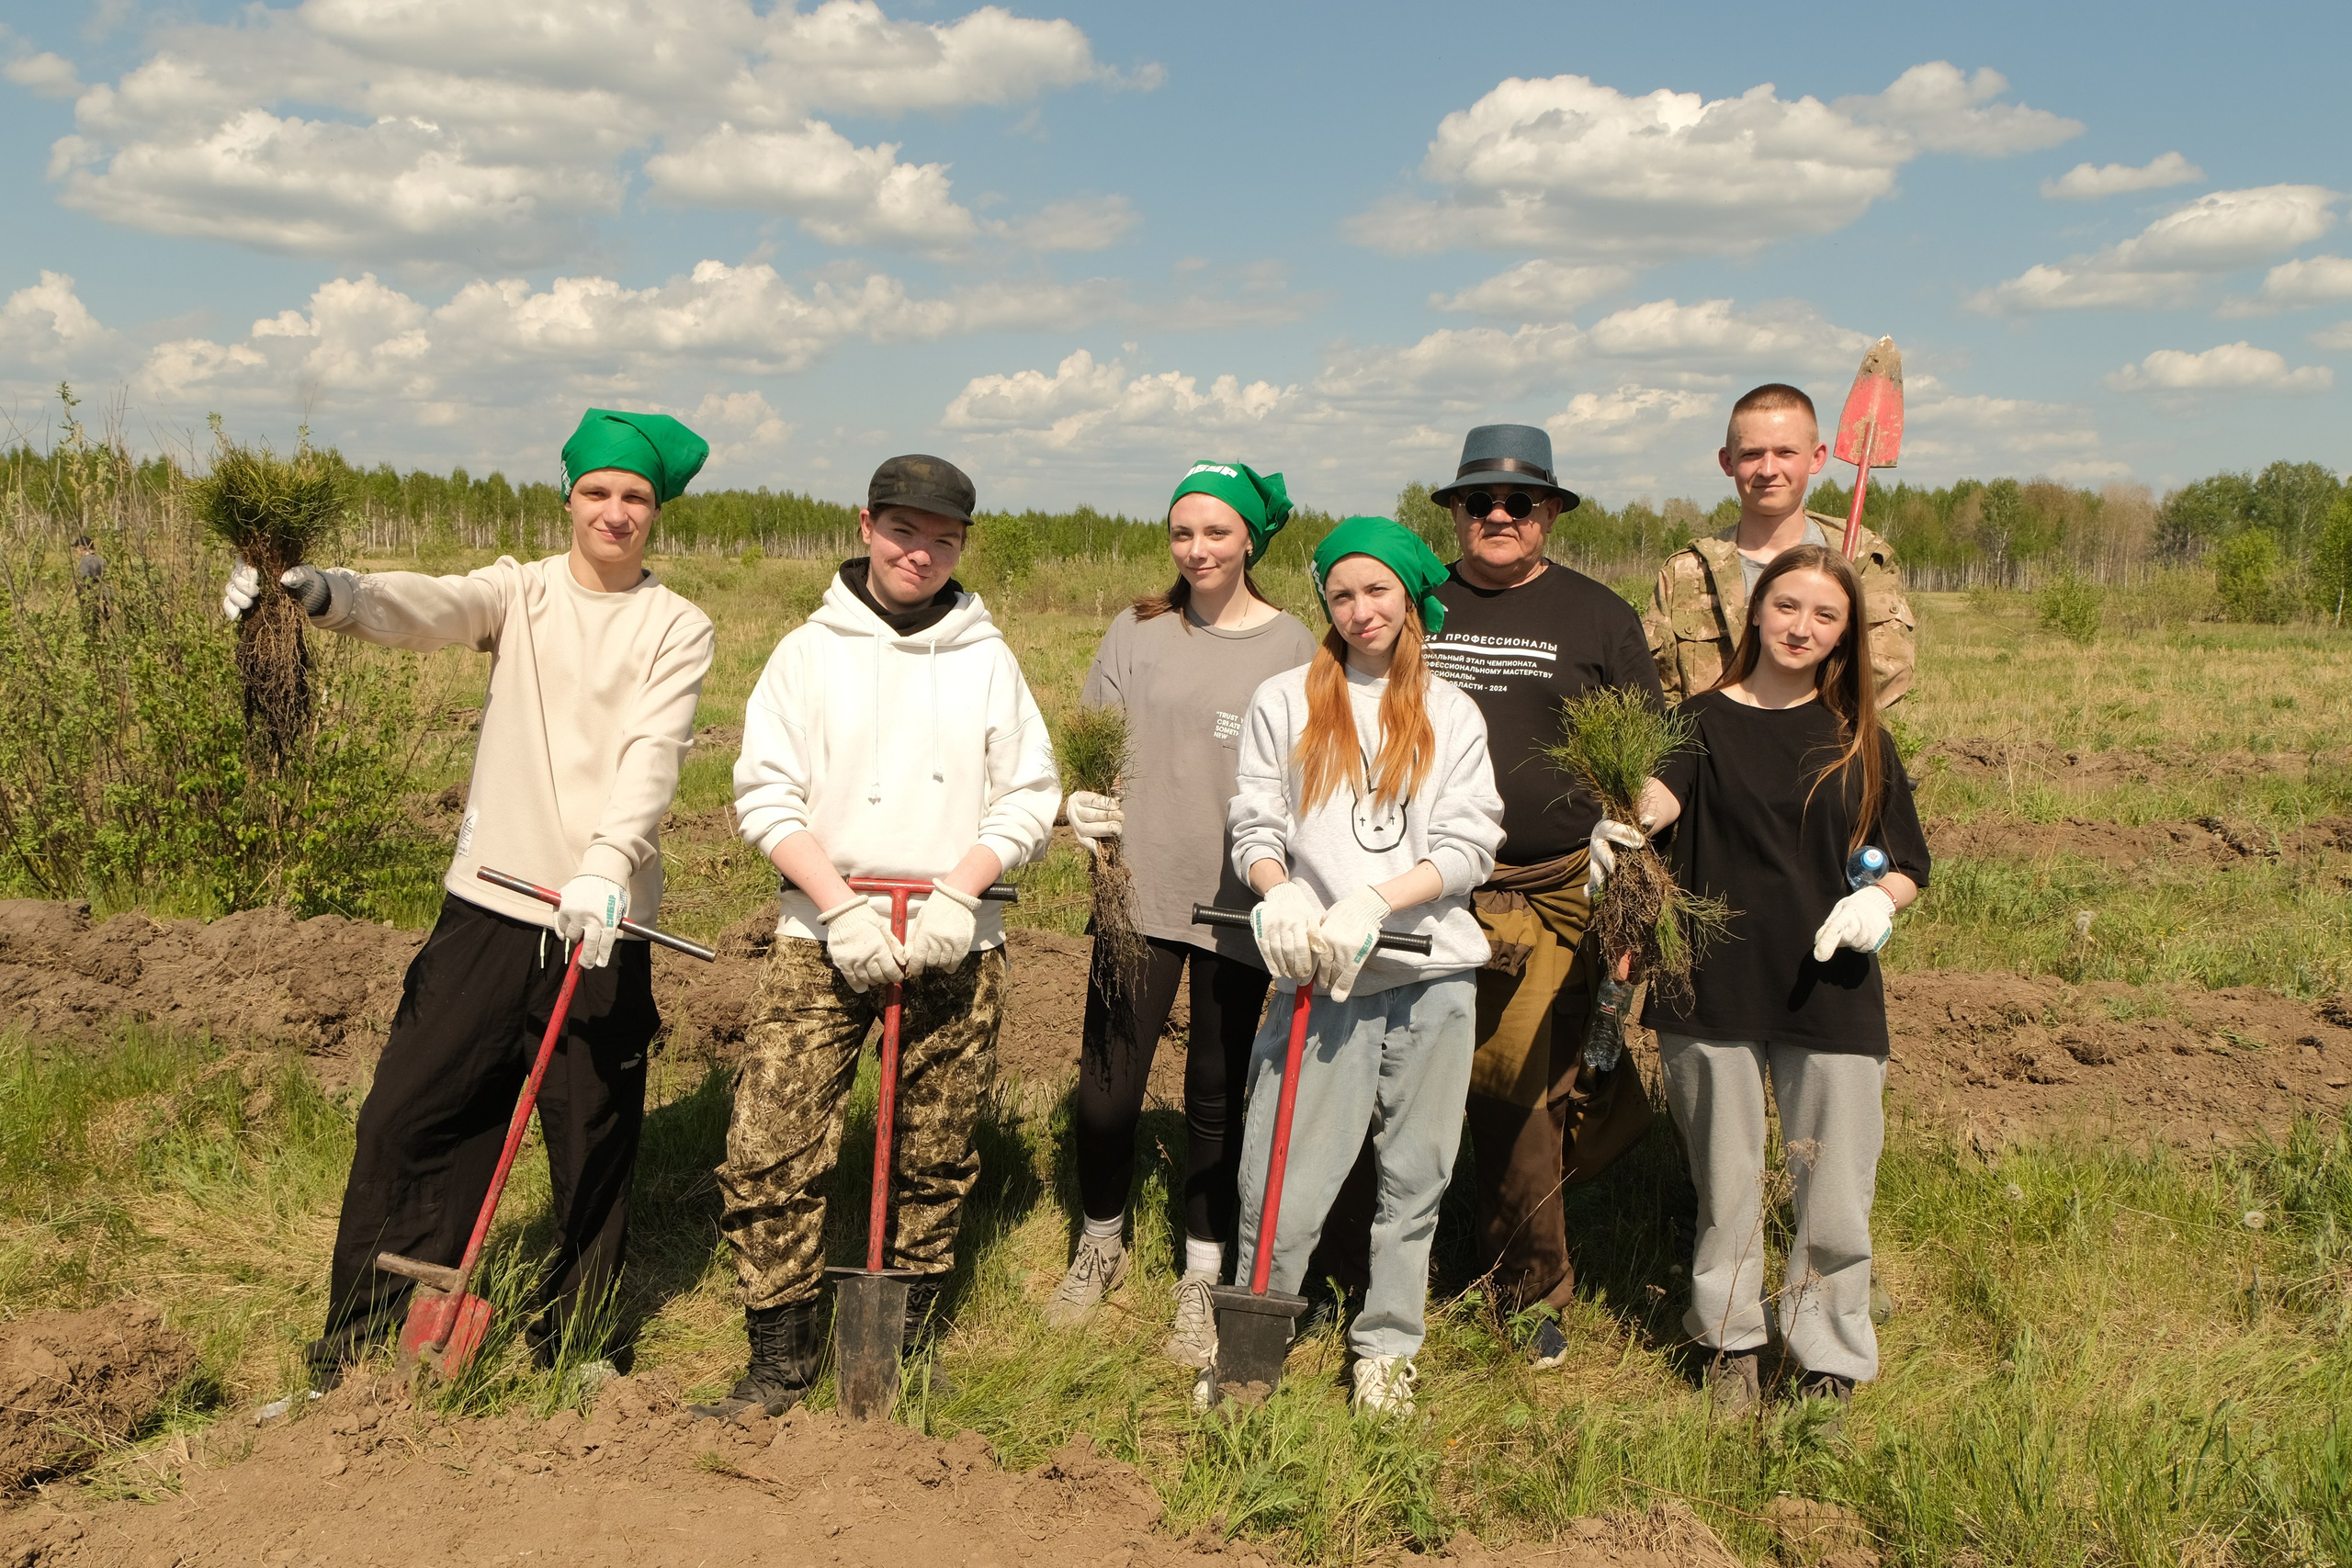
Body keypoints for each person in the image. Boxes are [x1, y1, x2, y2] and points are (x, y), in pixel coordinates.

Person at [222, 409, 718, 1387]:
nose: (614, 512)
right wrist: (330, 594)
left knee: (593, 1138)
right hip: (491, 908)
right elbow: (429, 605)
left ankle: (580, 1348)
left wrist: (607, 864)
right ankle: (360, 1349)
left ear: (656, 513)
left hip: (603, 920)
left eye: (635, 498)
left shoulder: (678, 626)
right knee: (409, 1118)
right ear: (569, 499)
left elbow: (651, 757)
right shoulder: (520, 593)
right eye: (598, 493)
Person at [706, 454, 1059, 1420]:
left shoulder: (989, 660)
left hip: (956, 938)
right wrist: (836, 905)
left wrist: (961, 891)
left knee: (933, 1151)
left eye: (944, 538)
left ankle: (899, 1347)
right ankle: (778, 1359)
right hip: (823, 935)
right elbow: (764, 793)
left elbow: (1030, 792)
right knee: (770, 1147)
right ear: (866, 526)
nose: (923, 552)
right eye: (906, 531)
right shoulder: (806, 654)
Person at [1633, 543, 1930, 1420]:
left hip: (1830, 986)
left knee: (1834, 1188)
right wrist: (1629, 812)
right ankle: (1731, 1341)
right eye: (1787, 606)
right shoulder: (1697, 720)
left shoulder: (1859, 738)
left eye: (1825, 615)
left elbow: (1908, 860)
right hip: (1711, 985)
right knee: (1726, 1184)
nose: (1802, 626)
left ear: (1845, 635)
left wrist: (1881, 901)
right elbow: (1660, 798)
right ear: (1755, 611)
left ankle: (1828, 1353)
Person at [1226, 516, 1504, 1418]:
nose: (1358, 609)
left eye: (1376, 589)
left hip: (1430, 977)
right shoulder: (1286, 701)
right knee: (1282, 1178)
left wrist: (1376, 901)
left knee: (1414, 1176)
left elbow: (1469, 846)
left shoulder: (1452, 714)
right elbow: (1257, 823)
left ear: (1410, 598)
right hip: (1319, 977)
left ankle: (1386, 1346)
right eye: (1340, 594)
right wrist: (1280, 895)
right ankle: (1251, 1341)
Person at [1408, 423, 1670, 1369]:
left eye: (1519, 502)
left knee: (1520, 1095)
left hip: (1547, 889)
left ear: (1550, 512)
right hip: (1413, 886)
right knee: (1391, 1083)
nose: (1498, 517)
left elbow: (1661, 749)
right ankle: (1380, 1268)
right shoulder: (1409, 600)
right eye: (1479, 502)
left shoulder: (1596, 617)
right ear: (1455, 512)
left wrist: (1631, 821)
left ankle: (1528, 1291)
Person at [1046, 460, 1317, 1366]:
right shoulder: (1137, 631)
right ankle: (1100, 1242)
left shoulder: (1291, 647)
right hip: (1139, 894)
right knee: (1107, 1094)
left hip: (1241, 905)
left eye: (1215, 532)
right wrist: (1078, 802)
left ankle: (1202, 1276)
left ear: (1250, 540)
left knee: (1214, 1097)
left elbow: (1309, 776)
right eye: (1181, 533)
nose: (1196, 549)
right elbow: (1093, 742)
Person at [1645, 384, 1916, 706]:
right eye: (1752, 454)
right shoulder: (1687, 572)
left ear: (1816, 458)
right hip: (1710, 750)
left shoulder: (1858, 559)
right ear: (1727, 462)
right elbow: (1659, 690)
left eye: (1785, 453)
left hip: (1824, 748)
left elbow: (1886, 673)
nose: (1768, 469)